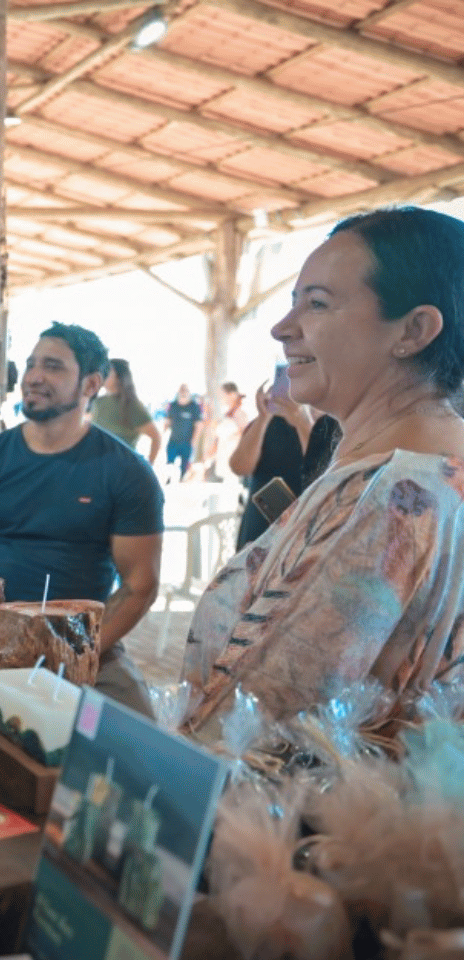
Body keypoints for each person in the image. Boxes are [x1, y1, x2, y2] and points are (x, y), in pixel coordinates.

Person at [184, 207, 464, 734]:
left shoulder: (394, 499)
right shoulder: (421, 471)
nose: (282, 328)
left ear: (413, 329)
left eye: (317, 304)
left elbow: (262, 731)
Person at [0, 322, 163, 716]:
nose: (33, 377)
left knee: (143, 754)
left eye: (53, 366)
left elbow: (139, 585)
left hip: (85, 643)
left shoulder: (127, 473)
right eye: (31, 365)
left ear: (90, 384)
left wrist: (75, 656)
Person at [228, 380, 341, 548]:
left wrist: (300, 420)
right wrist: (263, 417)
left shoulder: (332, 426)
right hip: (257, 531)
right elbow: (239, 467)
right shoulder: (267, 423)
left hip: (298, 539)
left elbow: (323, 472)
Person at [89, 358, 160, 464]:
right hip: (95, 465)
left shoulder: (131, 405)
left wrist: (149, 465)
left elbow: (156, 437)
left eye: (107, 371)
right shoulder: (97, 402)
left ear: (119, 376)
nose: (102, 375)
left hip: (121, 468)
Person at [162, 384, 204, 481]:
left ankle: (182, 481)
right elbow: (167, 421)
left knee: (184, 468)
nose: (183, 393)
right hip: (173, 441)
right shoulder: (173, 405)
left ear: (189, 393)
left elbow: (199, 425)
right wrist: (162, 434)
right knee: (169, 463)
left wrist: (194, 440)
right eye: (181, 391)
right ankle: (168, 480)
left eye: (185, 391)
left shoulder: (194, 407)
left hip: (187, 442)